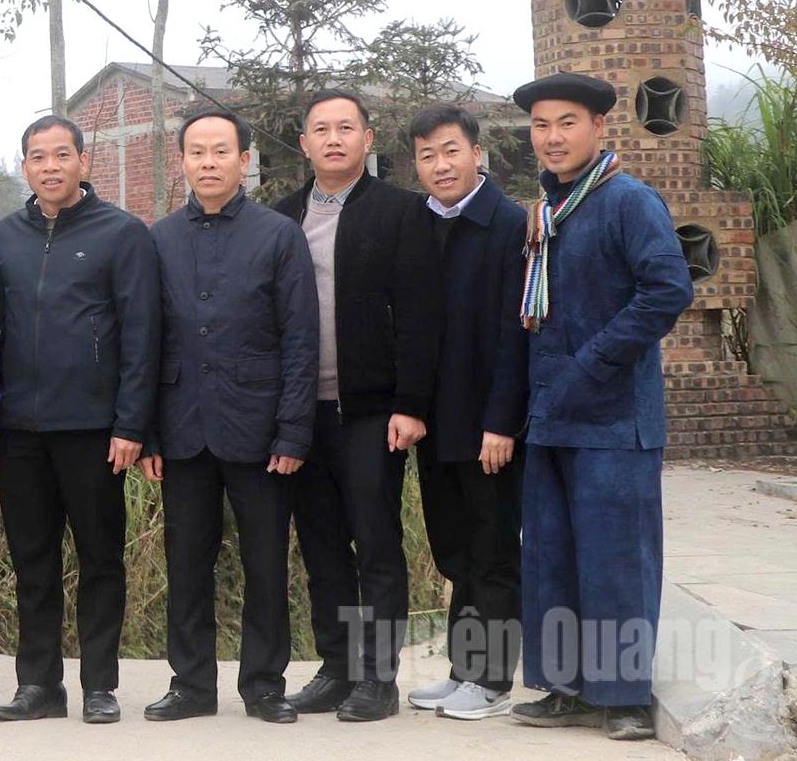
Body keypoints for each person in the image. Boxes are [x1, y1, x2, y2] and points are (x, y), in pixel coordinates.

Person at [510, 71, 693, 743]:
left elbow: (667, 289)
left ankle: (623, 697)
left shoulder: (626, 200)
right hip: (551, 414)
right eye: (541, 126)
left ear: (598, 127)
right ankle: (565, 689)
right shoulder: (550, 209)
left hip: (614, 418)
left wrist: (593, 362)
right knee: (552, 560)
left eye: (566, 123)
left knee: (617, 563)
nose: (552, 137)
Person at [0, 115, 160, 726]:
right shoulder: (8, 235)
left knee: (100, 559)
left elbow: (141, 336)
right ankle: (38, 685)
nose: (50, 166)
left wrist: (131, 425)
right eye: (38, 157)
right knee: (32, 563)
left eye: (62, 154)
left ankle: (99, 686)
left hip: (94, 430)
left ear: (84, 161)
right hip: (20, 430)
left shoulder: (121, 233)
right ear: (25, 167)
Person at [143, 108, 316, 726]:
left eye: (221, 151)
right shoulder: (159, 238)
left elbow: (300, 339)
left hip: (260, 430)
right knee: (187, 564)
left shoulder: (278, 235)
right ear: (183, 161)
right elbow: (147, 340)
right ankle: (190, 684)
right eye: (197, 152)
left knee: (265, 563)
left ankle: (264, 685)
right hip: (182, 428)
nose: (209, 163)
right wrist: (147, 432)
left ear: (244, 160)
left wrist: (293, 430)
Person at [275, 88, 442, 724]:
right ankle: (338, 667)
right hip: (302, 413)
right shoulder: (282, 217)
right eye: (321, 129)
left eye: (346, 127)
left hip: (372, 412)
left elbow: (422, 314)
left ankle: (378, 677)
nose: (334, 138)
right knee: (321, 546)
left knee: (375, 543)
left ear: (368, 139)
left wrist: (412, 403)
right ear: (305, 144)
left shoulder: (401, 212)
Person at [401, 105, 529, 721]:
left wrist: (502, 422)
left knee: (494, 552)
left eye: (451, 151)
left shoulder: (508, 225)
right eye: (427, 155)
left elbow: (516, 333)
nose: (441, 165)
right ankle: (463, 671)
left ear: (477, 153)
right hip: (439, 425)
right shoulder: (420, 225)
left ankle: (494, 681)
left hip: (488, 427)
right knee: (456, 551)